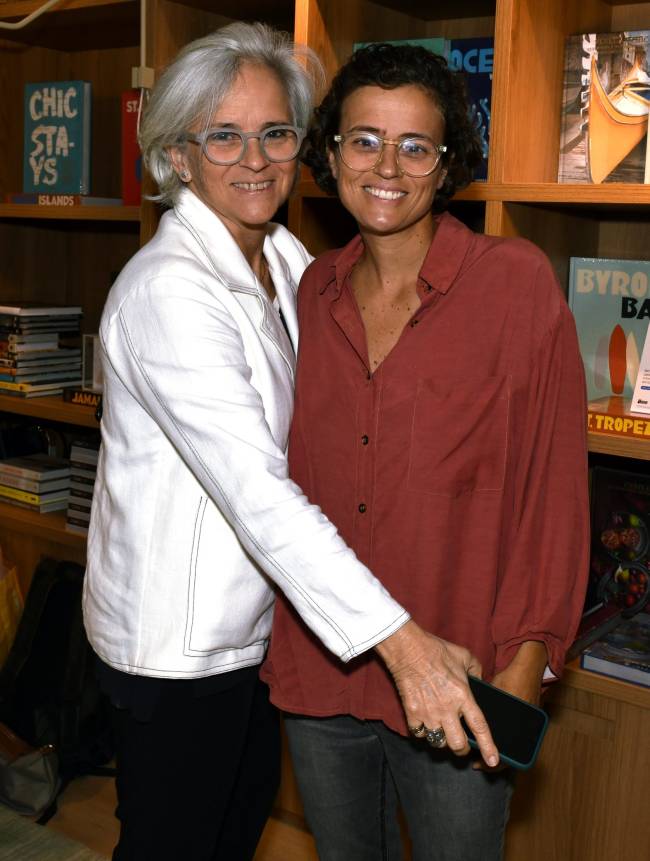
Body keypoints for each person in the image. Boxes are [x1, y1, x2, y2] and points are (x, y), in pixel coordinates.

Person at [82, 24, 499, 861]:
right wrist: (403, 640)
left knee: (233, 833)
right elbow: (258, 490)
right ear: (178, 156)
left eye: (274, 131)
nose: (255, 158)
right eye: (223, 135)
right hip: (175, 650)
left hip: (251, 640)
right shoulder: (169, 290)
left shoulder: (283, 256)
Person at [261, 42, 590, 861]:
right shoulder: (314, 290)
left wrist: (526, 665)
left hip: (462, 679)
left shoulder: (515, 285)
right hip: (324, 671)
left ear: (448, 167)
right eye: (364, 140)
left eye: (416, 147)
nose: (387, 167)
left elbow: (553, 492)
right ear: (330, 152)